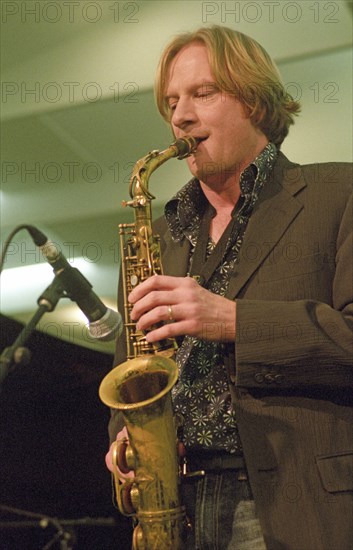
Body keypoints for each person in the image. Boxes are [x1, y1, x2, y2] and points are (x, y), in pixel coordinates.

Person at [105, 25, 353, 549]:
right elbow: (136, 365)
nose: (180, 116)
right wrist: (125, 438)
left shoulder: (340, 193)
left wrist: (231, 320)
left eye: (203, 93)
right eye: (172, 101)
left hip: (292, 500)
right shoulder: (164, 229)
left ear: (256, 103)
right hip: (179, 503)